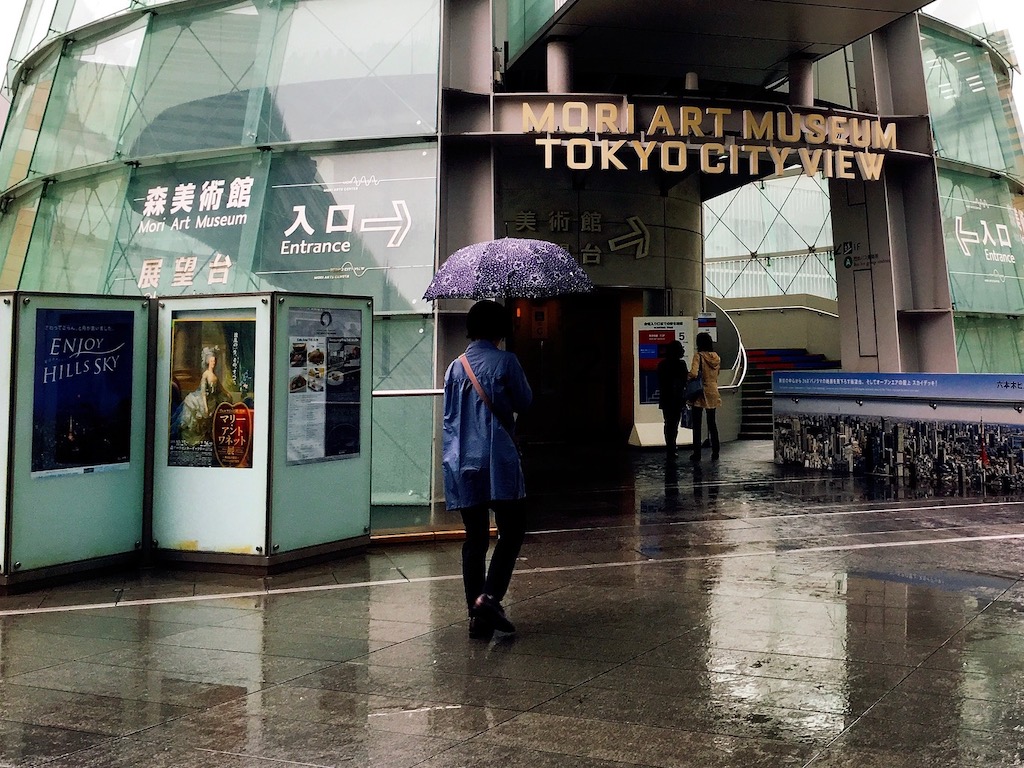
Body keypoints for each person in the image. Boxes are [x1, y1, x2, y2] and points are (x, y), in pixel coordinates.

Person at [442, 300, 533, 640]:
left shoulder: (455, 367)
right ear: (501, 329)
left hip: (462, 461)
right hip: (498, 460)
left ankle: (477, 618)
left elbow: (450, 419)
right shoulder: (507, 361)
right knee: (512, 531)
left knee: (475, 539)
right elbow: (525, 403)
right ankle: (489, 597)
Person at [173, 346, 229, 445]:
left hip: (212, 401)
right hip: (202, 400)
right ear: (208, 362)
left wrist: (227, 393)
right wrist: (205, 406)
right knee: (195, 423)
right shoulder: (206, 374)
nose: (213, 363)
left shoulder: (214, 376)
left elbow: (220, 388)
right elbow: (203, 392)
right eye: (211, 361)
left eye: (214, 361)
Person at [688, 332, 721, 463]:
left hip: (700, 391)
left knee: (697, 424)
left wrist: (687, 377)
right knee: (712, 422)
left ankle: (697, 453)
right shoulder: (716, 357)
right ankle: (716, 450)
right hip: (713, 390)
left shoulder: (698, 356)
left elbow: (694, 373)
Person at [656, 340, 686, 454]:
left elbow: (660, 381)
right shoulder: (681, 364)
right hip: (677, 398)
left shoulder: (662, 364)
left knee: (668, 422)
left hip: (665, 397)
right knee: (675, 423)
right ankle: (672, 445)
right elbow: (684, 381)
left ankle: (670, 445)